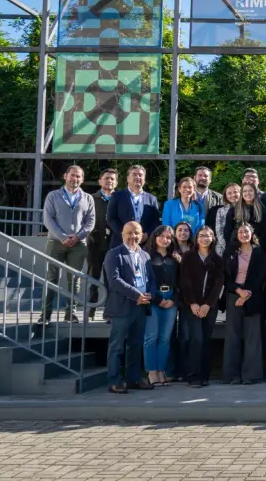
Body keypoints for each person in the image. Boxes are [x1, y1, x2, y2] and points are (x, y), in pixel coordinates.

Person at [103, 221, 155, 394]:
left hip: (141, 307)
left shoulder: (145, 255)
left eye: (137, 233)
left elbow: (151, 279)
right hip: (122, 307)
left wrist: (150, 294)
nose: (133, 236)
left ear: (142, 235)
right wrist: (136, 295)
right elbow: (114, 280)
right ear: (122, 234)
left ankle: (134, 379)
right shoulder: (114, 254)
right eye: (130, 233)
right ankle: (114, 381)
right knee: (117, 346)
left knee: (136, 345)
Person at [41, 164, 96, 324]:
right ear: (65, 176)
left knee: (74, 280)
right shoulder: (53, 196)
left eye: (78, 176)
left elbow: (90, 222)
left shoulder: (88, 198)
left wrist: (78, 237)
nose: (75, 178)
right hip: (56, 242)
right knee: (51, 278)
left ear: (82, 179)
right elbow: (48, 219)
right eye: (72, 175)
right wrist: (62, 236)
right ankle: (45, 314)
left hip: (78, 245)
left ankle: (70, 313)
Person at [178, 226, 224, 388]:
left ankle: (205, 374)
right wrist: (193, 303)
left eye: (208, 235)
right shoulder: (188, 256)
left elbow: (218, 284)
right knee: (195, 339)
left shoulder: (217, 259)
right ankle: (193, 375)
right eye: (202, 235)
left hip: (209, 306)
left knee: (206, 339)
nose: (205, 238)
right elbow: (184, 281)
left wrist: (207, 304)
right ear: (197, 238)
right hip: (192, 306)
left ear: (213, 238)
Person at [222, 223, 266, 385]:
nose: (244, 234)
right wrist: (239, 291)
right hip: (234, 295)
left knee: (253, 336)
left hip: (253, 296)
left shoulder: (259, 251)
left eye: (246, 231)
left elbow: (260, 275)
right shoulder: (230, 252)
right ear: (236, 234)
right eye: (240, 232)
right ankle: (232, 375)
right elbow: (225, 276)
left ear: (252, 233)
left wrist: (247, 293)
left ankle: (250, 375)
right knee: (232, 335)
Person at [143, 225, 178, 387]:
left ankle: (161, 370)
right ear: (155, 237)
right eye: (162, 236)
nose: (165, 240)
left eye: (168, 237)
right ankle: (151, 371)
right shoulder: (146, 256)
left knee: (165, 338)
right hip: (153, 298)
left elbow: (181, 281)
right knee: (151, 336)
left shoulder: (175, 258)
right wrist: (157, 299)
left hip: (171, 298)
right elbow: (145, 281)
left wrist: (174, 299)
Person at [86, 168, 117, 319]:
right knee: (94, 277)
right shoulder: (91, 199)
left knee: (111, 279)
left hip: (114, 244)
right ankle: (91, 309)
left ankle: (109, 312)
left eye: (112, 179)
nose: (109, 181)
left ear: (116, 182)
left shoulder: (119, 199)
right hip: (95, 243)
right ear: (100, 181)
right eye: (106, 178)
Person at [106, 165, 161, 248]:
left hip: (144, 245)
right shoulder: (117, 196)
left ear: (144, 179)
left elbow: (155, 221)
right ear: (128, 178)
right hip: (120, 243)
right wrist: (124, 234)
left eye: (140, 175)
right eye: (134, 174)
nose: (137, 177)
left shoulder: (151, 199)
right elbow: (111, 218)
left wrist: (147, 234)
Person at [224, 183, 266, 257]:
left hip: (258, 249)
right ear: (241, 194)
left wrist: (259, 248)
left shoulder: (262, 210)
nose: (247, 193)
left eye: (250, 191)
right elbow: (227, 232)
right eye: (245, 191)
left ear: (255, 193)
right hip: (238, 250)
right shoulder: (234, 210)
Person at [205, 183, 240, 257]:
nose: (233, 195)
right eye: (229, 193)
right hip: (223, 248)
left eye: (235, 192)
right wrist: (228, 247)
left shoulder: (246, 209)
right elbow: (219, 231)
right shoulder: (220, 210)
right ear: (225, 196)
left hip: (242, 248)